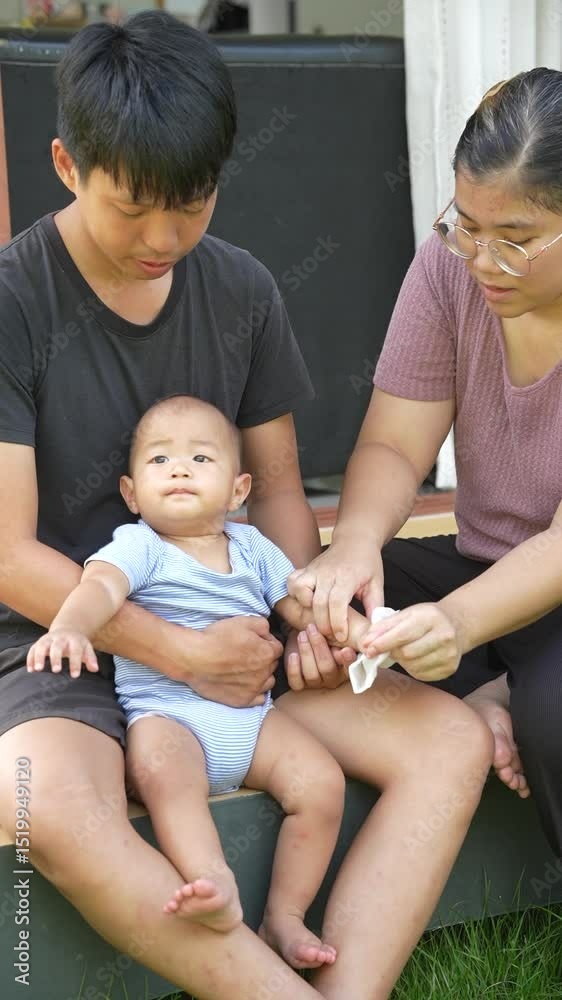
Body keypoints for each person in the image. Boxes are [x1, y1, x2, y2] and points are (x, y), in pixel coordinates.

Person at [0, 11, 493, 1000]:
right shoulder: (15, 299)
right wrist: (181, 653)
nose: (163, 239)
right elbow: (9, 554)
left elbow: (275, 491)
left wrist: (302, 613)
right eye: (132, 208)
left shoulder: (242, 291)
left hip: (236, 631)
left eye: (191, 205)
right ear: (65, 165)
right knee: (37, 803)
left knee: (451, 739)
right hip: (63, 640)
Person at [288, 69, 562, 859]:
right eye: (465, 226)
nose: (483, 260)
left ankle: (507, 694)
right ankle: (481, 703)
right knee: (299, 614)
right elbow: (394, 445)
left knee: (555, 719)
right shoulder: (448, 270)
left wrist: (459, 623)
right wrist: (354, 548)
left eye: (516, 239)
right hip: (485, 567)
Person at [27, 393, 375, 969]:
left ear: (239, 491)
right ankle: (214, 882)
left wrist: (362, 634)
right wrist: (69, 627)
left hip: (252, 720)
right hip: (169, 717)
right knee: (165, 777)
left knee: (321, 783)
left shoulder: (253, 547)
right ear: (131, 493)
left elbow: (299, 604)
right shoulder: (139, 545)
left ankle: (285, 916)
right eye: (160, 459)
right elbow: (100, 589)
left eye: (201, 458)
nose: (180, 469)